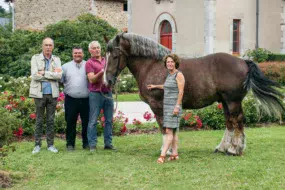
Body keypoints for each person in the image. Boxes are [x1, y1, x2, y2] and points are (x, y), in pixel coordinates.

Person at [147, 54, 185, 163]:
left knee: (168, 130)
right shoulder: (170, 75)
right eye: (168, 62)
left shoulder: (179, 75)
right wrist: (155, 86)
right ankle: (175, 154)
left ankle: (162, 155)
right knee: (173, 131)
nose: (170, 64)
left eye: (172, 62)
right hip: (167, 106)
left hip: (174, 106)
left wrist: (177, 106)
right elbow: (167, 86)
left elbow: (181, 91)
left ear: (175, 63)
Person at [29, 37, 62, 154]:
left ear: (53, 47)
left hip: (52, 94)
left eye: (50, 45)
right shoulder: (35, 58)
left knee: (50, 120)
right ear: (42, 46)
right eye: (46, 45)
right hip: (39, 94)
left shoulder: (57, 60)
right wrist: (51, 75)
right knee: (39, 120)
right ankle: (37, 145)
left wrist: (44, 73)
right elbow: (34, 75)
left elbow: (59, 76)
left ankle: (50, 145)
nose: (48, 47)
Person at [85, 41, 115, 152]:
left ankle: (108, 144)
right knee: (93, 120)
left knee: (109, 120)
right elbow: (91, 79)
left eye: (98, 47)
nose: (97, 50)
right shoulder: (89, 63)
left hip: (108, 93)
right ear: (90, 50)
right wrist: (102, 72)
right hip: (95, 94)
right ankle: (92, 145)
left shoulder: (106, 60)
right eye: (94, 48)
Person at [61, 47, 89, 151]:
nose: (77, 54)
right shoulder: (65, 66)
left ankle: (86, 143)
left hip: (86, 99)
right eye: (75, 53)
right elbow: (61, 80)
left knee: (86, 122)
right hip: (71, 99)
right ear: (72, 54)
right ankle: (70, 144)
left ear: (83, 54)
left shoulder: (88, 65)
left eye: (80, 53)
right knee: (70, 122)